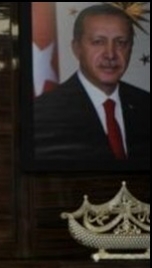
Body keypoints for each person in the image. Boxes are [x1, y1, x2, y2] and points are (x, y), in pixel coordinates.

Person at [33, 4, 150, 161]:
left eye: (121, 42)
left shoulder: (146, 105)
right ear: (77, 48)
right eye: (98, 42)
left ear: (130, 48)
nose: (110, 54)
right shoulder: (44, 113)